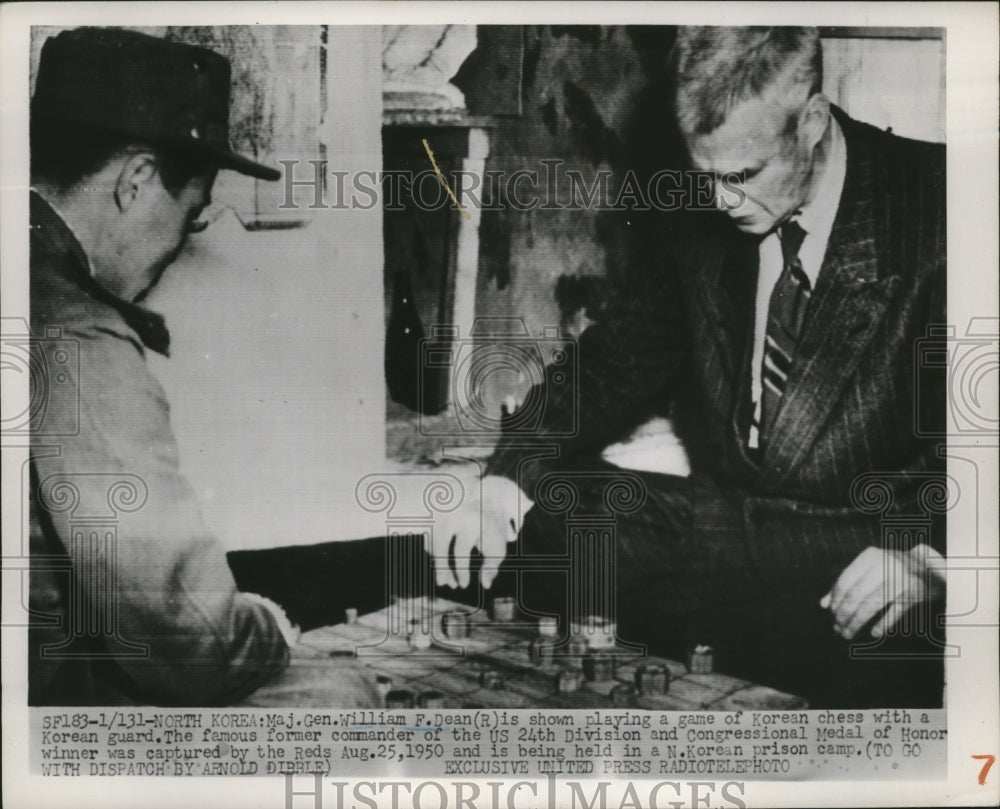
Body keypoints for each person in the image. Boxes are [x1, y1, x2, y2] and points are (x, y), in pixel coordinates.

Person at [434, 26, 947, 707]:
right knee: (538, 521)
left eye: (741, 176)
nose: (718, 201)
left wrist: (930, 558)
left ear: (815, 122)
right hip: (724, 526)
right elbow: (609, 367)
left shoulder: (941, 206)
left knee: (891, 651)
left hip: (862, 547)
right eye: (703, 175)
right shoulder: (703, 210)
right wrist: (505, 474)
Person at [28, 27, 365, 706]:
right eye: (192, 217)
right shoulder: (73, 331)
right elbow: (183, 641)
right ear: (137, 181)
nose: (179, 246)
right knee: (342, 695)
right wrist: (269, 625)